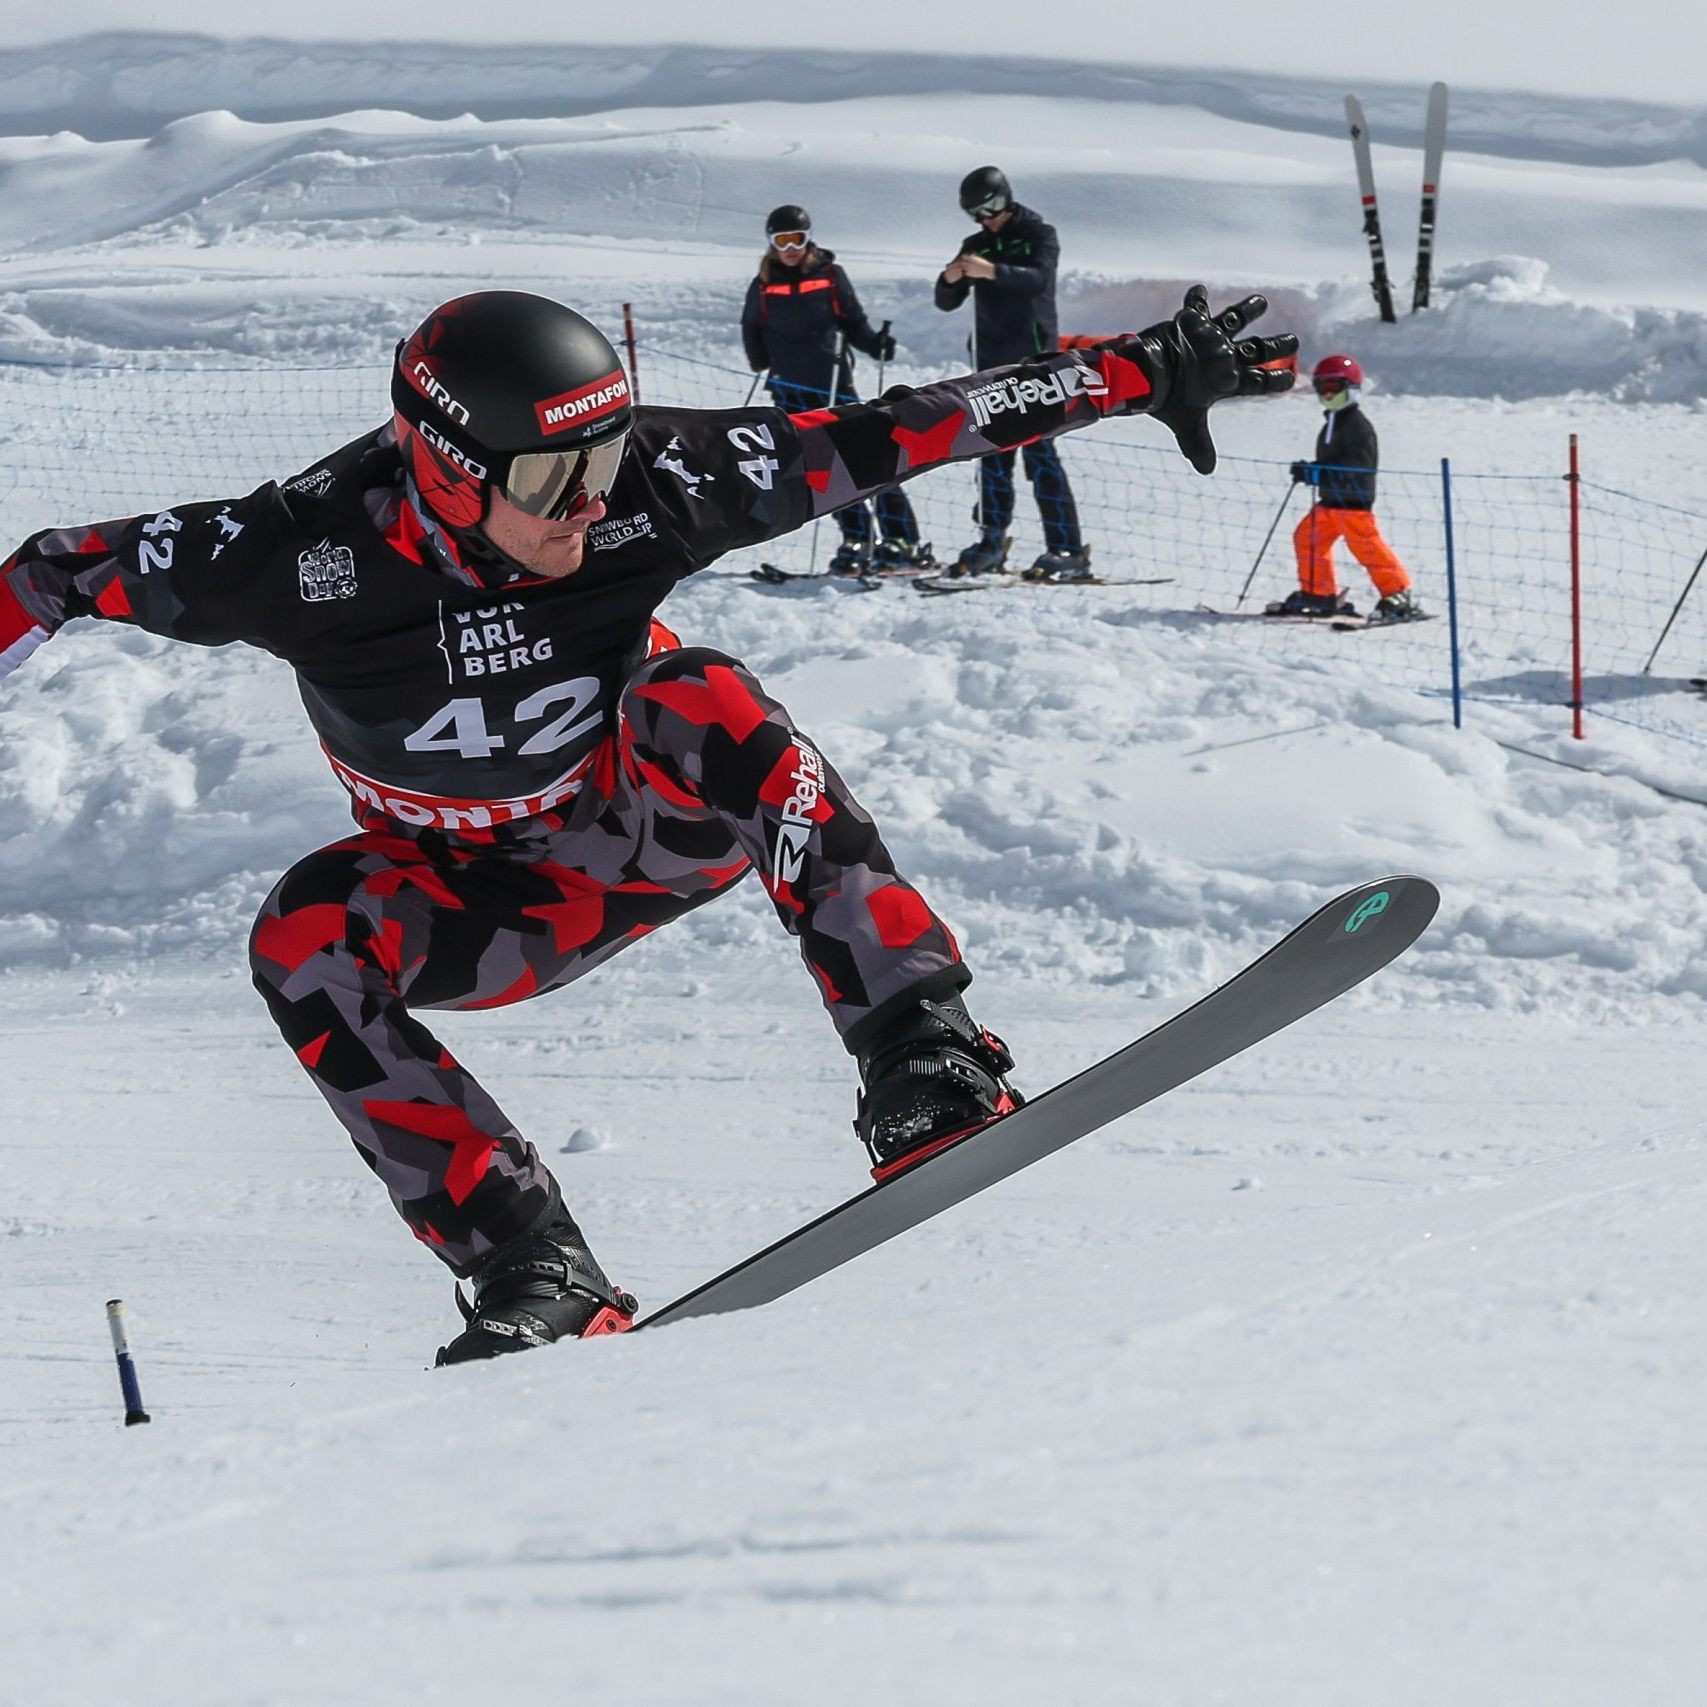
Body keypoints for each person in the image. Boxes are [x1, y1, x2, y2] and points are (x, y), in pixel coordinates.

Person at [0, 285, 1294, 1363]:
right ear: (445, 474)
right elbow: (49, 571)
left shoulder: (653, 486)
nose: (587, 503)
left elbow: (909, 427)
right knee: (304, 933)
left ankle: (920, 1051)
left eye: (602, 460)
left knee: (698, 691)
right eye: (554, 477)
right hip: (477, 902)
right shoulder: (292, 551)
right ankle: (532, 1264)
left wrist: (1139, 369)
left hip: (636, 828)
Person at [740, 204, 930, 574]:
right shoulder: (764, 285)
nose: (791, 248)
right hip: (789, 390)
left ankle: (900, 537)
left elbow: (854, 322)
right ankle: (855, 535)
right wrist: (762, 360)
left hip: (832, 386)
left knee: (868, 457)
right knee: (823, 470)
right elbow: (751, 328)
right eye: (783, 241)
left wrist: (875, 344)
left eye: (798, 239)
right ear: (771, 244)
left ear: (809, 239)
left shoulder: (830, 276)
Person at [934, 166, 1089, 582]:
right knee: (991, 455)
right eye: (977, 213)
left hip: (1036, 366)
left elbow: (1039, 279)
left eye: (993, 207)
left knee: (1041, 457)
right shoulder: (976, 244)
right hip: (991, 366)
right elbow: (946, 301)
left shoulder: (1040, 235)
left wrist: (993, 272)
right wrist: (949, 279)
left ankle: (1067, 547)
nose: (988, 218)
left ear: (1007, 197)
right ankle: (991, 540)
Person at [1270, 353, 1421, 621]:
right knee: (1307, 538)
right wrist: (1312, 470)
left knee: (1366, 547)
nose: (1328, 395)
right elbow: (1332, 462)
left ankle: (1397, 594)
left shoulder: (1358, 427)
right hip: (1330, 501)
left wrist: (1320, 473)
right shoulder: (1334, 422)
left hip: (1353, 503)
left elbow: (1355, 466)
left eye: (1334, 389)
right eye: (1322, 389)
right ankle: (1319, 593)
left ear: (1351, 389)